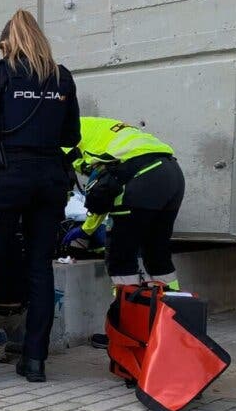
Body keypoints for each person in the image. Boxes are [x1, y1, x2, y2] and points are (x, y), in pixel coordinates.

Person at [0, 9, 80, 384]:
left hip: (8, 176)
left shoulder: (1, 73)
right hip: (50, 178)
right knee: (40, 268)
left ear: (8, 42)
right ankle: (35, 361)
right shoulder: (62, 77)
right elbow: (71, 135)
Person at [62, 117, 184, 289]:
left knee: (120, 255)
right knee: (157, 252)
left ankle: (129, 311)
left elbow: (100, 193)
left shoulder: (59, 136)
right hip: (172, 173)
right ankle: (172, 309)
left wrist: (85, 229)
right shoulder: (93, 126)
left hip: (142, 176)